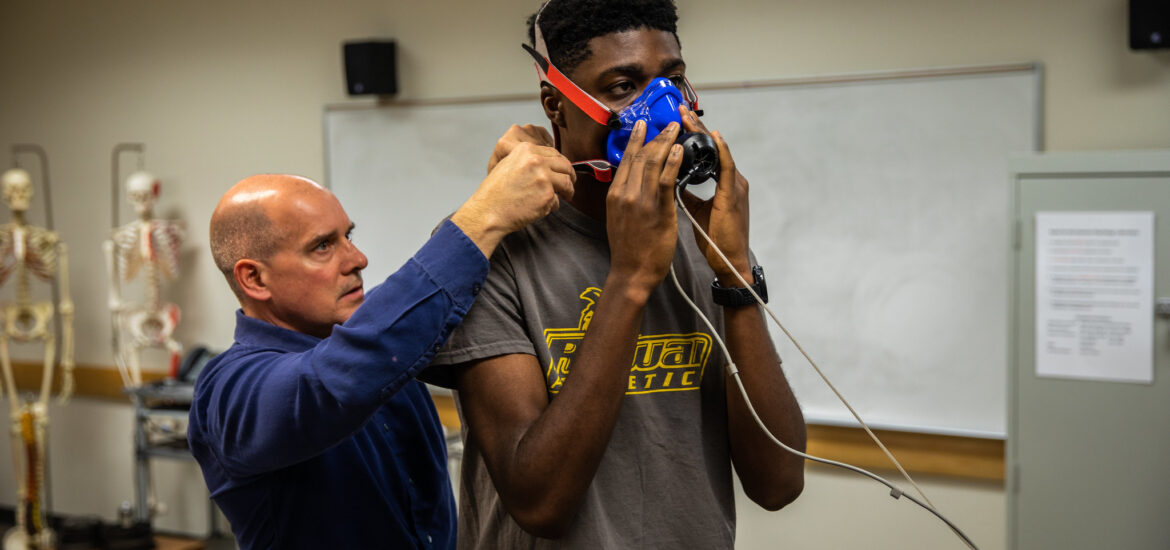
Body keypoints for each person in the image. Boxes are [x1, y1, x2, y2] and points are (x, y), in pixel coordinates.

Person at [426, 1, 807, 548]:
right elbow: (540, 502)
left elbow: (778, 482)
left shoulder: (699, 241)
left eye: (673, 79)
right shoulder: (494, 247)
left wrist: (735, 273)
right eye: (623, 86)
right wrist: (629, 278)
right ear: (556, 105)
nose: (666, 109)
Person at [187, 133, 575, 550]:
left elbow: (409, 313)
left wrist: (499, 193)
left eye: (347, 236)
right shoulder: (229, 390)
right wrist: (485, 215)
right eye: (322, 247)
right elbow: (335, 380)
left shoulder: (382, 337)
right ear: (255, 278)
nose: (357, 259)